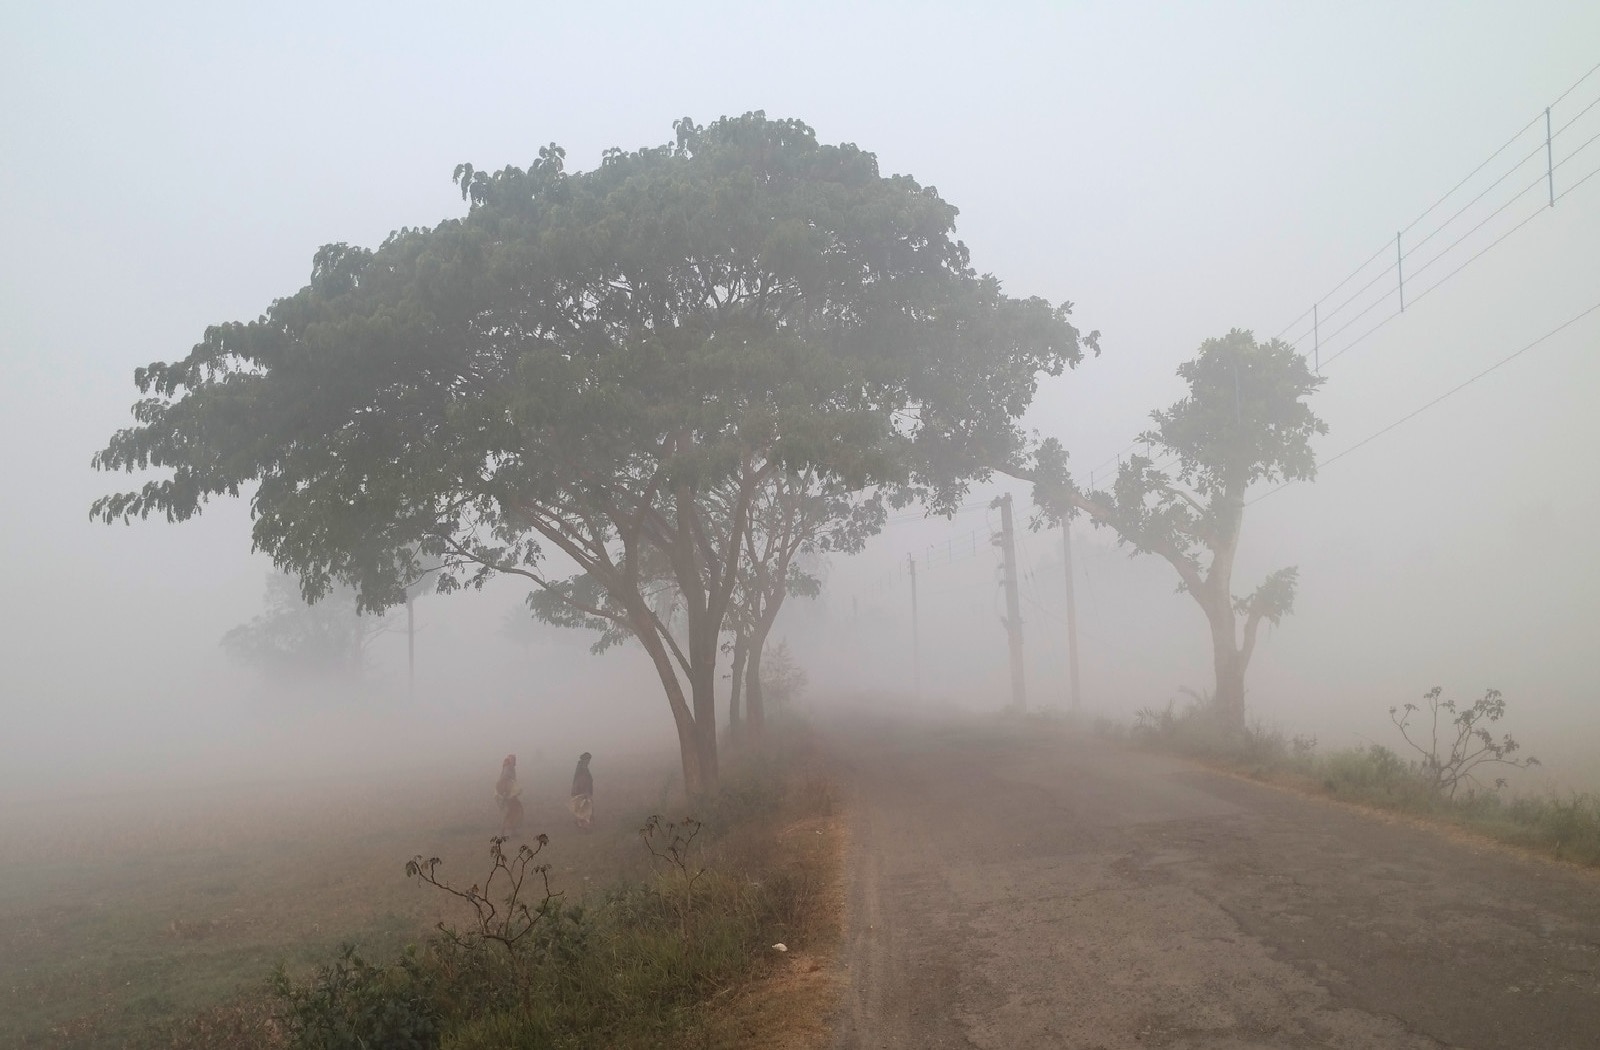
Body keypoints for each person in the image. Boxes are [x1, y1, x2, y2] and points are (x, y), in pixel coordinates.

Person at [495, 754, 524, 837]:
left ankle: (510, 831)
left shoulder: (508, 767)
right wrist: (506, 794)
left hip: (509, 795)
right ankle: (504, 831)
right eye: (514, 760)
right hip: (508, 795)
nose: (515, 761)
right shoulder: (508, 768)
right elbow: (505, 780)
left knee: (513, 812)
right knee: (512, 812)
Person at [569, 752, 594, 831]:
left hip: (582, 790)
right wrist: (586, 791)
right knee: (583, 808)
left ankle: (582, 824)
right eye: (588, 759)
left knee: (583, 807)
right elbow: (582, 781)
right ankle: (583, 826)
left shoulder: (581, 768)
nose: (589, 761)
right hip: (582, 791)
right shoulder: (582, 769)